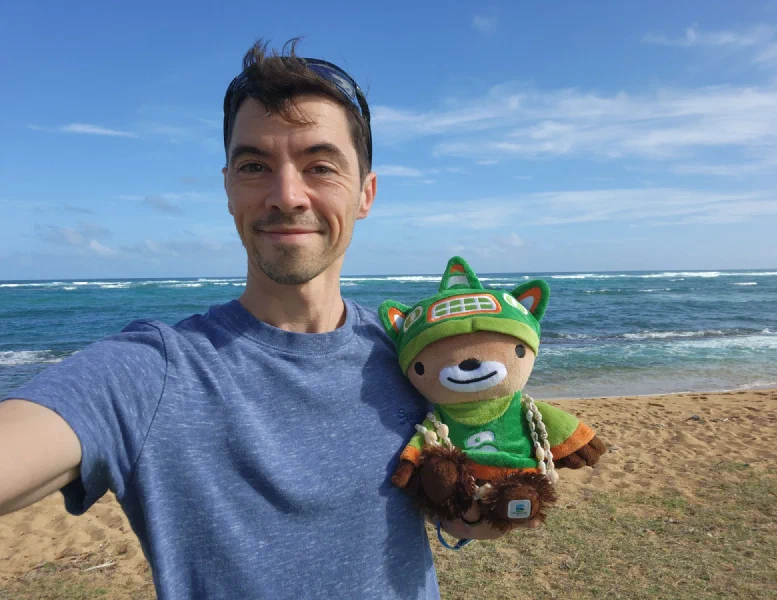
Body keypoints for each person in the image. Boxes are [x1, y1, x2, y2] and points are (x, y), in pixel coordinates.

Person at [0, 39, 534, 599]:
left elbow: (448, 476)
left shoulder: (411, 357)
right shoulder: (155, 374)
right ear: (229, 187)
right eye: (255, 166)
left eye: (320, 166)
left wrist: (467, 510)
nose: (287, 195)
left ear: (365, 194)